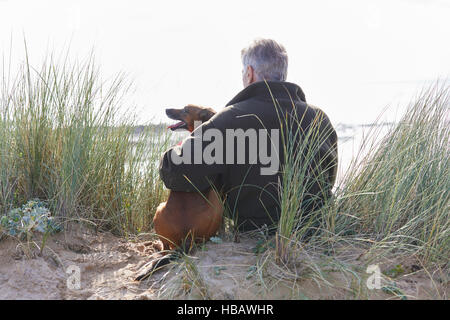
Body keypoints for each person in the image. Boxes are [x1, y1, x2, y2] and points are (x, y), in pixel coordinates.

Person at [159, 38, 337, 232]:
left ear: (250, 73)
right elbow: (329, 177)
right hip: (315, 230)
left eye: (243, 72)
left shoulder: (230, 119)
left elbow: (174, 170)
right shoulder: (319, 118)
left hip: (254, 231)